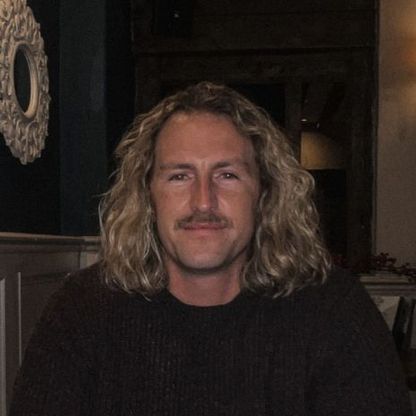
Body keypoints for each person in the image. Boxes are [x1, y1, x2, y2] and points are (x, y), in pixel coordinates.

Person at [9, 82, 411, 415]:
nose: (203, 201)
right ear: (147, 195)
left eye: (227, 175)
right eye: (179, 176)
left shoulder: (335, 311)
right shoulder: (82, 310)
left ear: (265, 194)